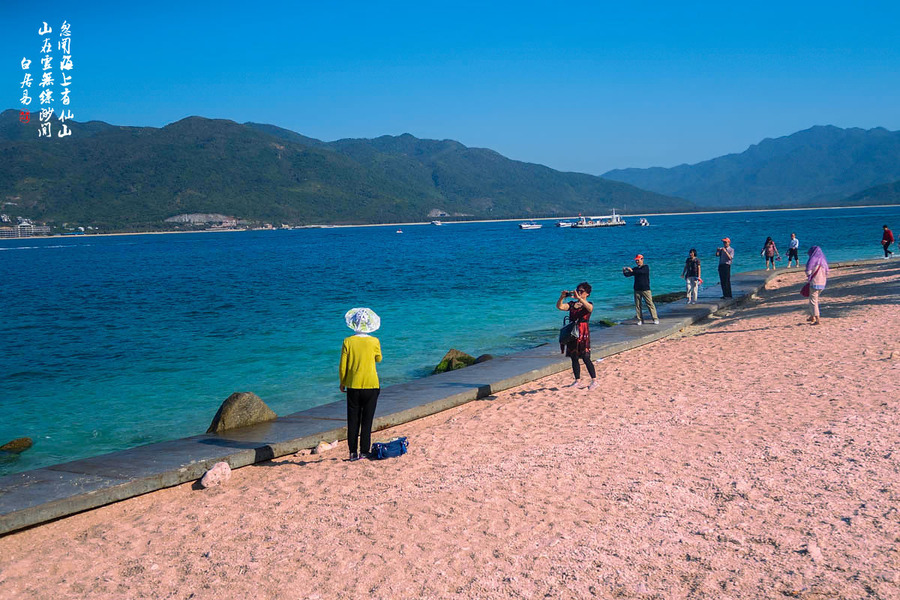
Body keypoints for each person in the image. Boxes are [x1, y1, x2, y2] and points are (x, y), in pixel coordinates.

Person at [339, 307, 383, 461]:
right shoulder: (374, 341)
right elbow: (379, 359)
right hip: (371, 385)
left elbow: (343, 366)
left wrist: (342, 382)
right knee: (367, 420)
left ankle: (352, 453)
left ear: (354, 324)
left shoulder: (348, 341)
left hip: (353, 385)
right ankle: (364, 451)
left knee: (353, 420)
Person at [556, 282, 598, 390]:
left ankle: (594, 380)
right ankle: (577, 380)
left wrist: (580, 299)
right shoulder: (571, 304)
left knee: (586, 357)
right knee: (574, 357)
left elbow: (590, 308)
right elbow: (560, 307)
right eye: (577, 290)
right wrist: (562, 297)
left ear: (587, 294)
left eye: (581, 291)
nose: (578, 292)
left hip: (583, 332)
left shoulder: (588, 304)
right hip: (572, 332)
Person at [623, 254, 658, 325]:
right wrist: (624, 271)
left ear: (642, 259)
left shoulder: (645, 267)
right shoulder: (635, 269)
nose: (637, 262)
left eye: (638, 260)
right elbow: (628, 275)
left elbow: (641, 272)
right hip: (637, 289)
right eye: (636, 260)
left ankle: (655, 318)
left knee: (650, 304)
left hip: (645, 289)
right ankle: (640, 319)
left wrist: (632, 270)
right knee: (638, 305)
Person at [805, 246, 829, 325]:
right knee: (814, 300)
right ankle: (812, 316)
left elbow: (808, 271)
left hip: (814, 283)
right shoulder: (824, 261)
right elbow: (827, 272)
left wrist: (809, 277)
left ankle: (817, 319)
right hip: (822, 283)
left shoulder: (813, 260)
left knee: (813, 301)